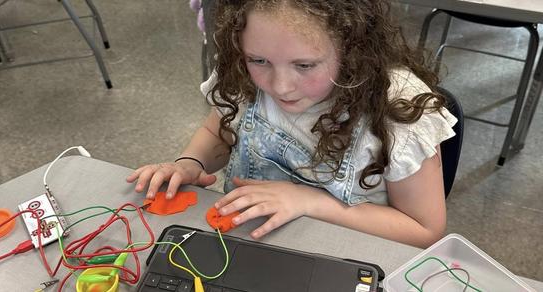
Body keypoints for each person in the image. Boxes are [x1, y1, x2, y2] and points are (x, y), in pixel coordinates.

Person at [127, 0, 457, 248]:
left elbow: (423, 230)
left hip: (347, 255)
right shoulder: (245, 77)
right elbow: (218, 132)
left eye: (304, 65)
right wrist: (190, 163)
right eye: (258, 60)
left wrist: (309, 202)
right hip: (248, 243)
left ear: (353, 48)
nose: (280, 85)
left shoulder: (397, 110)